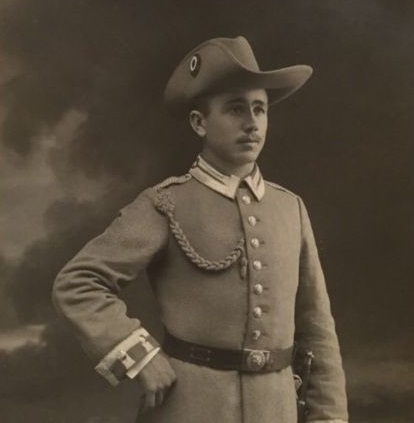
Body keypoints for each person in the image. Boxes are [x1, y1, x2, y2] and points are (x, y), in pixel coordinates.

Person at [52, 36, 348, 423]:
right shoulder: (165, 203)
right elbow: (78, 282)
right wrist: (140, 357)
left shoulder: (289, 208)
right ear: (199, 122)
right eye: (235, 109)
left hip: (278, 409)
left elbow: (317, 325)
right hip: (191, 409)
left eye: (259, 109)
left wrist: (329, 417)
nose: (251, 123)